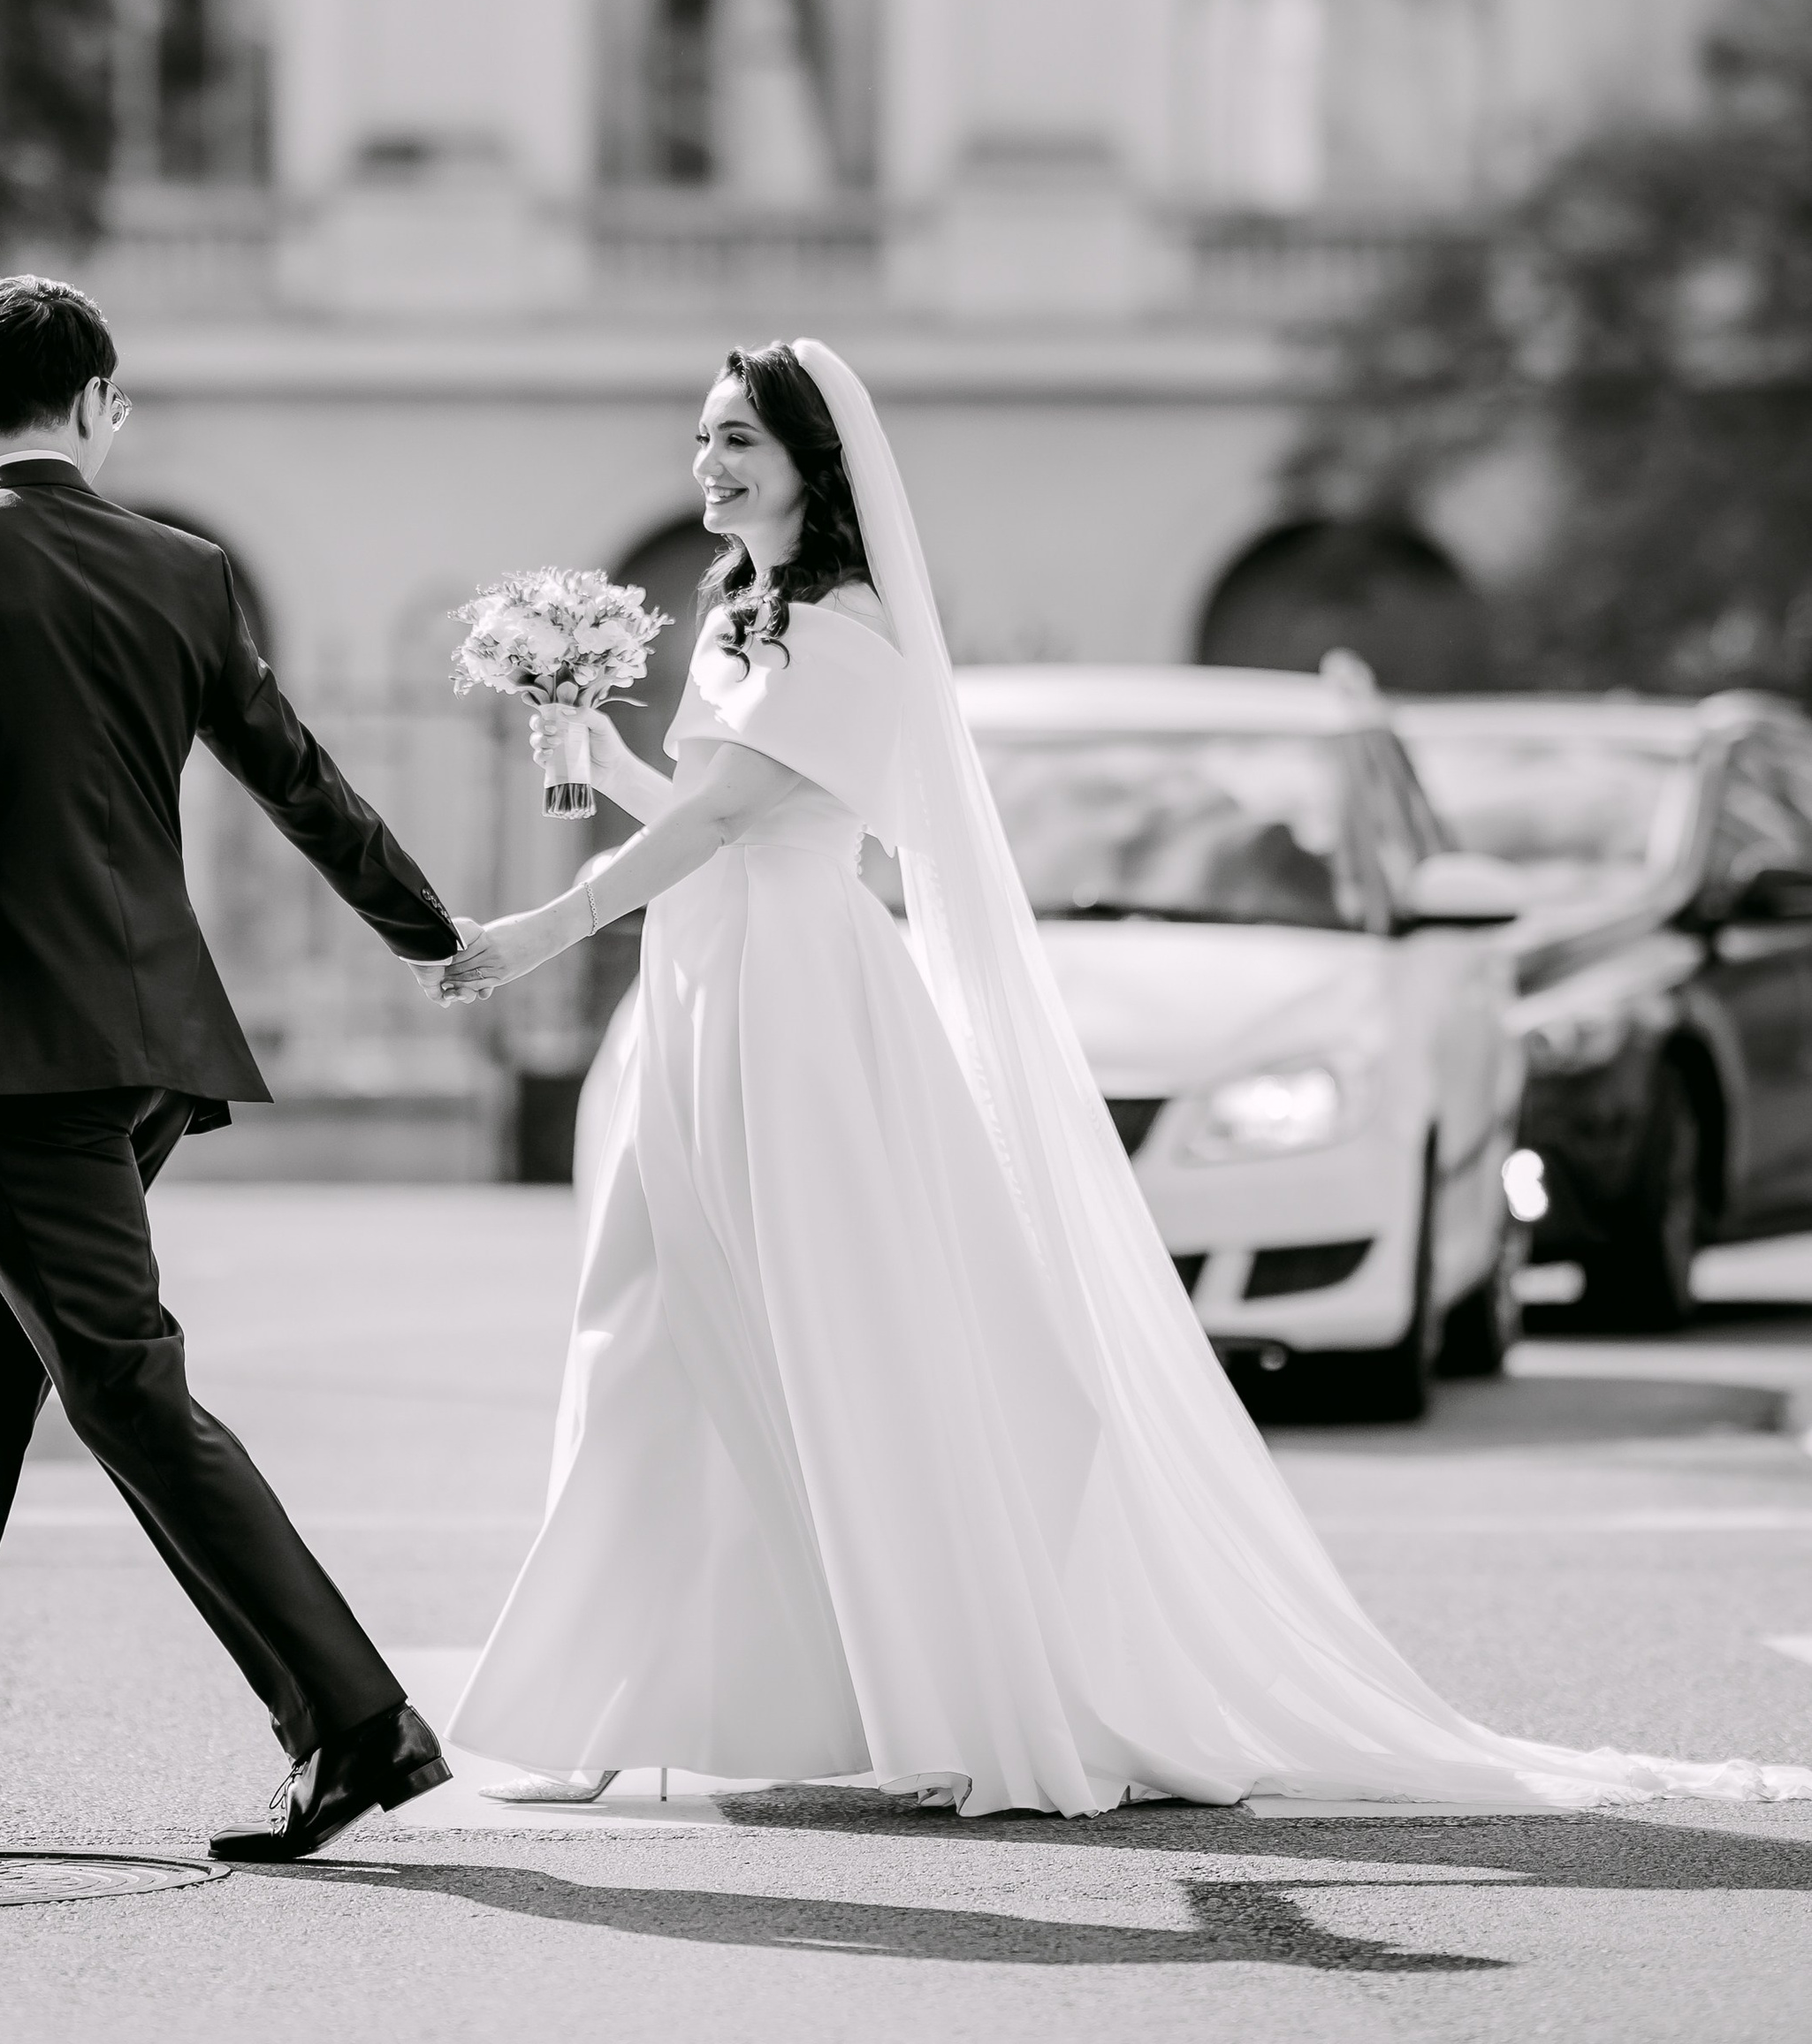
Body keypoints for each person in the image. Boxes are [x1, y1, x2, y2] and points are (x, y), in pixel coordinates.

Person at [440, 338, 1812, 1816]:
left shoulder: (847, 629)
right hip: (706, 992)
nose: (709, 466)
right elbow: (711, 813)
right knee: (648, 1319)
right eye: (704, 439)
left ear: (812, 469)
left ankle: (933, 1691)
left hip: (798, 1017)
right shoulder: (737, 614)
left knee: (821, 1338)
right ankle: (604, 1699)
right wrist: (587, 740)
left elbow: (735, 823)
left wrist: (537, 931)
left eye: (740, 446)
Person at [0, 274, 474, 1865]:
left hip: (16, 1061)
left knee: (120, 1381)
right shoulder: (181, 569)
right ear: (99, 402)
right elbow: (298, 775)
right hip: (145, 1047)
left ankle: (358, 1725)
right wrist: (426, 926)